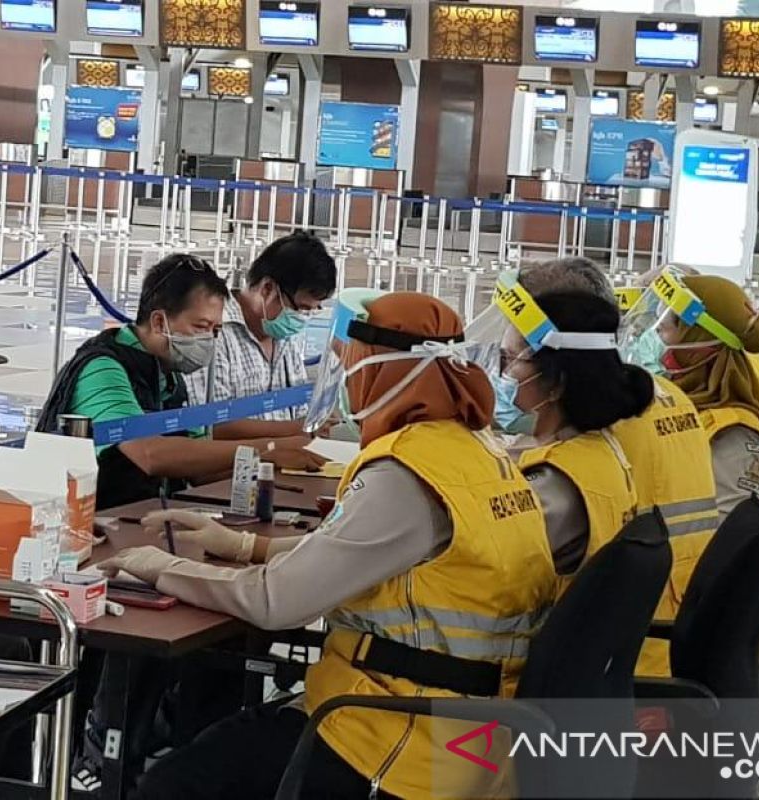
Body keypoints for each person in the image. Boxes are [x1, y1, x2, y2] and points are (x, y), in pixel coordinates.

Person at [100, 291, 558, 799]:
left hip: (395, 733)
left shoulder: (407, 475)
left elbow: (276, 602)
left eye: (352, 368)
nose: (347, 385)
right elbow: (370, 555)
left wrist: (159, 567)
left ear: (390, 371)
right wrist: (242, 545)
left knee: (172, 787)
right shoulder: (477, 451)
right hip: (466, 724)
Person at [520, 258, 718, 678]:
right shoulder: (665, 396)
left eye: (518, 350)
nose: (509, 366)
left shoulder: (596, 434)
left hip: (626, 648)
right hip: (659, 625)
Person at [36, 253, 323, 510]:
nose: (210, 339)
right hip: (90, 524)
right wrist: (268, 449)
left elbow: (198, 468)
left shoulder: (169, 374)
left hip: (142, 516)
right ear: (160, 322)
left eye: (215, 329)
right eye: (201, 326)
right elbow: (149, 454)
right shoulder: (103, 367)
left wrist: (267, 464)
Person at [474, 271, 654, 590]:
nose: (499, 372)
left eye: (509, 359)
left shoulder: (555, 485)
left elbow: (478, 558)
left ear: (556, 383)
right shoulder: (590, 446)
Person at [624, 271, 759, 519]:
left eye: (663, 331)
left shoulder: (735, 436)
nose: (655, 341)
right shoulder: (683, 406)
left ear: (700, 347)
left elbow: (726, 542)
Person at [183, 231, 337, 439]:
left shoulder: (284, 336)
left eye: (310, 311)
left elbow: (299, 410)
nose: (302, 318)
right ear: (267, 288)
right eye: (300, 308)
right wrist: (298, 428)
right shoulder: (213, 333)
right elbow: (210, 426)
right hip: (231, 467)